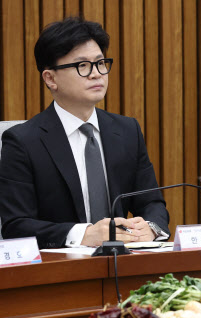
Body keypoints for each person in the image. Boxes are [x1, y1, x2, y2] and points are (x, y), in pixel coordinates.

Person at [0, 17, 169, 249]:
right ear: (50, 79)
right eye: (82, 66)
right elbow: (16, 226)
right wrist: (83, 235)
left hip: (125, 263)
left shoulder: (127, 130)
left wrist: (150, 227)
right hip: (59, 272)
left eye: (100, 63)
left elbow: (152, 203)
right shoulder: (23, 142)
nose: (96, 74)